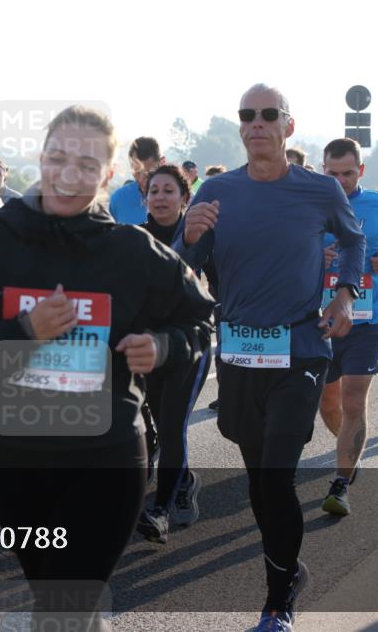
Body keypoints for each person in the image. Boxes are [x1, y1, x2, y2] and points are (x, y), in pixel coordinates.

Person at [0, 105, 214, 630]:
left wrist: (163, 347)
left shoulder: (132, 251)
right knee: (60, 605)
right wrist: (23, 333)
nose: (69, 172)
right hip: (16, 461)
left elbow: (198, 323)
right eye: (58, 157)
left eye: (87, 162)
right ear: (40, 159)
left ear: (109, 174)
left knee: (64, 608)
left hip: (107, 457)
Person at [183, 84, 365, 632]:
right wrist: (186, 239)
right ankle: (289, 571)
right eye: (247, 115)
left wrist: (344, 294)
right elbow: (182, 267)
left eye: (268, 115)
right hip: (238, 353)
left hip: (301, 349)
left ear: (288, 127)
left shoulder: (318, 191)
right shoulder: (215, 191)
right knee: (260, 480)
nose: (256, 123)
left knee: (278, 474)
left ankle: (277, 601)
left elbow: (353, 243)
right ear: (240, 128)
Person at [317, 138, 378, 517]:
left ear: (361, 171)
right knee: (328, 402)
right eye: (332, 174)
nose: (340, 181)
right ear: (323, 171)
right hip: (320, 319)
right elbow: (285, 248)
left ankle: (341, 482)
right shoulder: (310, 202)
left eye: (348, 173)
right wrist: (313, 254)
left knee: (354, 399)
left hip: (366, 318)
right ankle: (348, 450)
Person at [135, 165, 212, 543]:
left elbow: (224, 280)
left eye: (169, 191)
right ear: (144, 198)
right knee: (147, 428)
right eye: (154, 191)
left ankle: (161, 510)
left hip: (189, 346)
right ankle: (183, 480)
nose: (160, 198)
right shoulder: (133, 239)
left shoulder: (202, 235)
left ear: (185, 198)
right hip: (146, 348)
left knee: (172, 427)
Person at [108, 136, 162, 224]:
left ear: (162, 163)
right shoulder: (118, 199)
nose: (142, 180)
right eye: (137, 172)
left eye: (149, 174)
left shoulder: (175, 198)